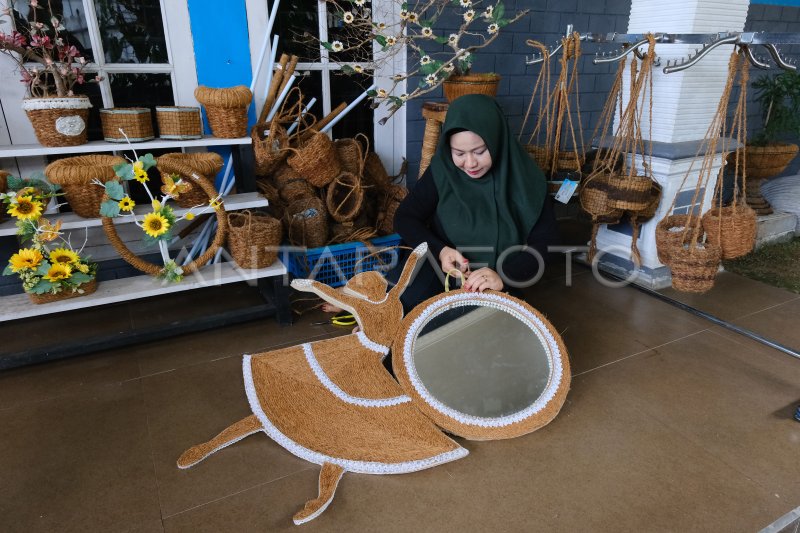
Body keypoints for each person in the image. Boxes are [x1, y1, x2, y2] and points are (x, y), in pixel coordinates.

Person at [389, 93, 559, 313]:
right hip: (442, 267)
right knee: (401, 317)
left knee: (484, 335)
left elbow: (546, 243)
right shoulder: (443, 170)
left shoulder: (527, 179)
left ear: (497, 140)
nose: (470, 163)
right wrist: (440, 251)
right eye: (459, 153)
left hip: (495, 279)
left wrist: (503, 276)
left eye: (480, 151)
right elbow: (405, 218)